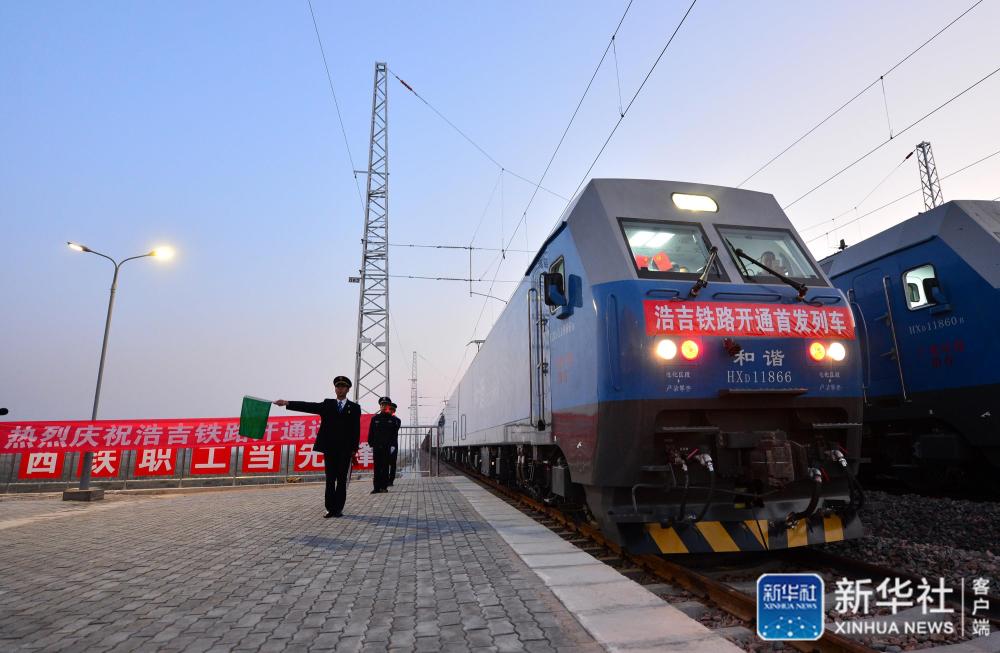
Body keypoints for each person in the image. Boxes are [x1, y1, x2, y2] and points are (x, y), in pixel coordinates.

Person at [274, 376, 360, 518]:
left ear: (348, 389)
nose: (340, 389)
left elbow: (355, 430)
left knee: (341, 480)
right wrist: (287, 403)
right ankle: (329, 508)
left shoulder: (355, 408)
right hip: (329, 449)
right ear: (335, 389)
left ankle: (338, 508)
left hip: (345, 450)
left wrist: (353, 449)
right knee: (330, 479)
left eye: (343, 387)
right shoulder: (328, 404)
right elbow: (309, 406)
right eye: (338, 387)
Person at [367, 396, 400, 493]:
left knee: (385, 467)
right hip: (377, 446)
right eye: (382, 405)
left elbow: (394, 434)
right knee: (377, 467)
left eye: (386, 405)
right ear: (380, 406)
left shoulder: (392, 420)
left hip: (387, 447)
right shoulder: (375, 419)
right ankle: (376, 488)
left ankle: (384, 487)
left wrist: (392, 446)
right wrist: (371, 444)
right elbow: (371, 433)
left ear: (389, 406)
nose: (384, 406)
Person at [387, 402, 400, 486]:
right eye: (390, 409)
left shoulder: (397, 420)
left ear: (394, 411)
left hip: (392, 444)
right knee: (384, 463)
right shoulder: (382, 418)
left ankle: (391, 480)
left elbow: (394, 430)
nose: (391, 411)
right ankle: (384, 479)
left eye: (392, 409)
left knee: (392, 463)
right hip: (383, 444)